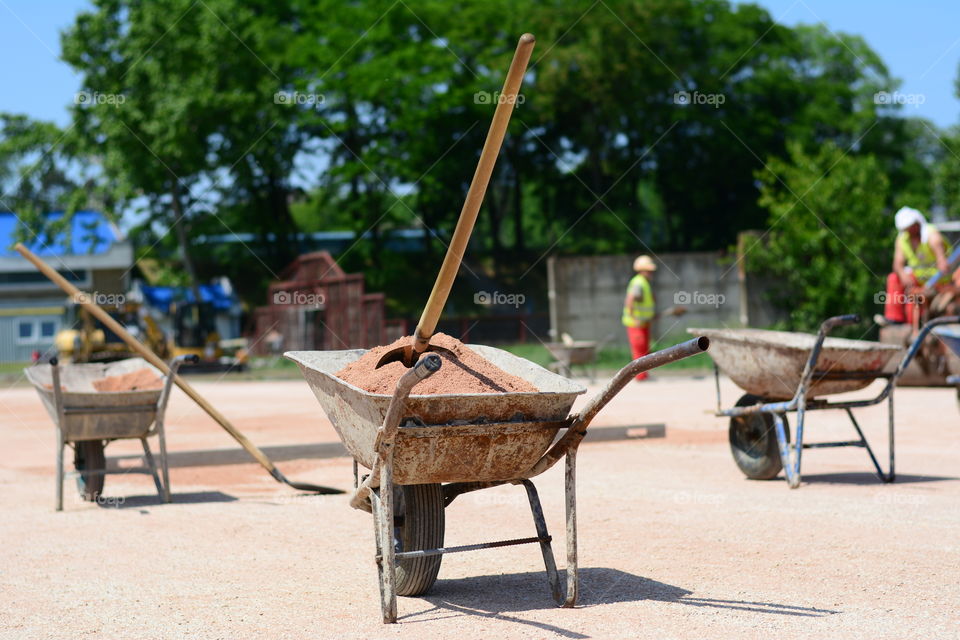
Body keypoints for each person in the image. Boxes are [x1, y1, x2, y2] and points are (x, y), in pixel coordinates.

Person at [879, 206, 956, 326]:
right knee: (894, 278)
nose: (909, 230)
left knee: (914, 296)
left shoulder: (932, 236)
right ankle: (895, 320)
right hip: (918, 280)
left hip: (938, 282)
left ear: (917, 223)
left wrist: (942, 263)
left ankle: (916, 326)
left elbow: (942, 263)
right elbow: (897, 264)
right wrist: (904, 275)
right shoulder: (902, 239)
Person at [622, 255, 656, 381]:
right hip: (636, 323)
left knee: (645, 349)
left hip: (643, 323)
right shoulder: (638, 283)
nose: (651, 273)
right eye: (649, 270)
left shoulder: (644, 283)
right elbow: (630, 301)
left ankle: (644, 375)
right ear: (642, 270)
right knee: (639, 349)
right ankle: (641, 377)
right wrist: (634, 318)